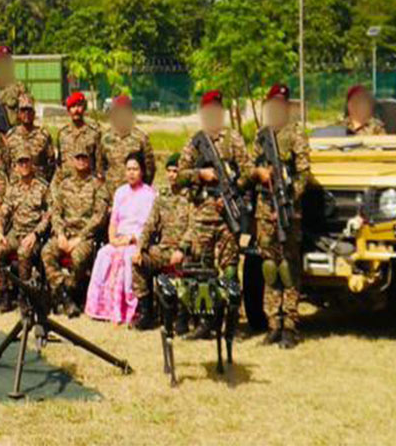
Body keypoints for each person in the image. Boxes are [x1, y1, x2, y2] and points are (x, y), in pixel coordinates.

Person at [175, 90, 250, 333]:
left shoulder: (233, 139)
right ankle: (206, 320)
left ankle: (231, 320)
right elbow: (180, 177)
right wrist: (201, 175)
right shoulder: (195, 142)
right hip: (203, 214)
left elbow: (248, 172)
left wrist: (234, 189)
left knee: (229, 267)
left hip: (227, 214)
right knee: (202, 267)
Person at [252, 83, 311, 348]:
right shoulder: (262, 135)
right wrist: (258, 174)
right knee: (269, 267)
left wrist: (288, 199)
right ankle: (273, 324)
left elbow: (303, 173)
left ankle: (290, 325)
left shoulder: (296, 135)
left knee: (288, 267)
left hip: (287, 211)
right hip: (265, 210)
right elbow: (250, 168)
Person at [84, 153, 155, 324]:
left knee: (126, 257)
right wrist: (112, 238)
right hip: (119, 238)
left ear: (142, 172)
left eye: (135, 169)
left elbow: (149, 225)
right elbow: (114, 220)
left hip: (137, 241)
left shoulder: (150, 194)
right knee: (104, 254)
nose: (131, 173)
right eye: (128, 169)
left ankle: (129, 309)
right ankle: (101, 308)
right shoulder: (120, 192)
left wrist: (131, 239)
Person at [132, 153, 189, 330]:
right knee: (138, 262)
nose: (172, 175)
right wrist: (139, 249)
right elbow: (150, 224)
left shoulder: (190, 197)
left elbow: (194, 229)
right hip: (163, 251)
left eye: (176, 171)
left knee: (187, 266)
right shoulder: (162, 196)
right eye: (169, 171)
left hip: (184, 252)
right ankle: (146, 312)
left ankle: (182, 315)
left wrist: (182, 249)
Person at [0, 147, 50, 312]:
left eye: (27, 162)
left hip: (33, 234)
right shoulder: (13, 188)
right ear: (16, 166)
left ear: (32, 164)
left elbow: (49, 215)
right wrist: (0, 233)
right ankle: (4, 295)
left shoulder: (42, 187)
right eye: (20, 162)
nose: (24, 165)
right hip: (15, 233)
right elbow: (3, 214)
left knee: (24, 252)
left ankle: (25, 297)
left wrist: (35, 234)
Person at [0, 92, 53, 190]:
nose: (26, 114)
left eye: (29, 110)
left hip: (38, 190)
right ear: (18, 114)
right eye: (23, 110)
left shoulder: (43, 135)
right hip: (16, 190)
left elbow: (51, 164)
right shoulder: (11, 136)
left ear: (34, 113)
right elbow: (5, 164)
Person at [99, 93, 155, 186]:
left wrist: (141, 188)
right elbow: (100, 165)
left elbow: (150, 167)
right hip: (111, 193)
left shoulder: (140, 137)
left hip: (135, 193)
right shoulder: (106, 137)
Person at [54, 91, 101, 181]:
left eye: (79, 106)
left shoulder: (93, 133)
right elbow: (58, 164)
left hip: (87, 185)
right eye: (72, 106)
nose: (76, 110)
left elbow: (99, 163)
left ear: (84, 108)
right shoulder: (63, 134)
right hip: (67, 185)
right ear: (68, 110)